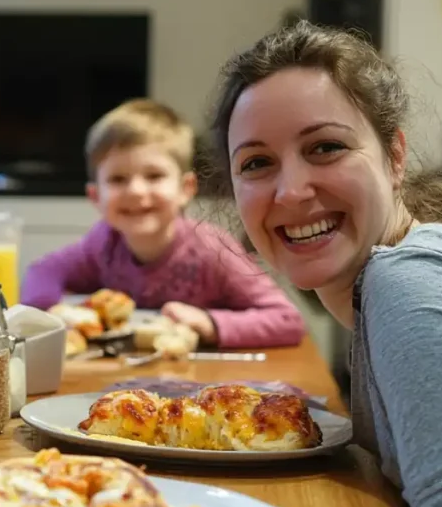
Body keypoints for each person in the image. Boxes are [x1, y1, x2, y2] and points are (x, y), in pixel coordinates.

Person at [210, 20, 442, 507]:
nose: (292, 191)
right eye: (256, 163)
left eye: (325, 147)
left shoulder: (416, 290)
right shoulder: (389, 286)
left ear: (395, 156)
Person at [20, 98, 305, 348]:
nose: (136, 191)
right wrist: (55, 313)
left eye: (154, 176)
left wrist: (209, 323)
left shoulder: (212, 250)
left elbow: (287, 320)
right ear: (96, 196)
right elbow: (42, 272)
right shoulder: (103, 243)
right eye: (118, 179)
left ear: (186, 188)